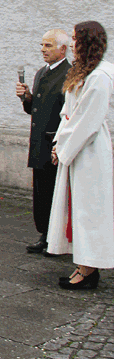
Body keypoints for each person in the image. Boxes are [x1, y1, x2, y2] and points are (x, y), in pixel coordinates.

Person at [46, 21, 114, 290]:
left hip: (90, 151)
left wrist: (63, 148)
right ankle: (84, 263)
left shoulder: (100, 75)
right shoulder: (84, 71)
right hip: (76, 147)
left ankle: (89, 268)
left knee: (89, 209)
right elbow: (69, 112)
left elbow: (88, 119)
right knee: (78, 208)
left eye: (75, 39)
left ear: (88, 41)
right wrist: (58, 143)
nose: (72, 43)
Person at [15, 29, 71, 254]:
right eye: (42, 45)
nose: (42, 50)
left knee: (55, 193)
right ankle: (45, 234)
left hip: (55, 144)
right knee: (41, 193)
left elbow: (68, 112)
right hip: (39, 143)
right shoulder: (40, 73)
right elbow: (35, 109)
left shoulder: (69, 74)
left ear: (62, 49)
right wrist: (26, 96)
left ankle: (57, 238)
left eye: (48, 46)